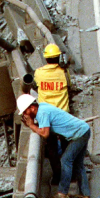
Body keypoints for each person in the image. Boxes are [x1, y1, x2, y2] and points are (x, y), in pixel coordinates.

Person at [17, 94, 90, 198]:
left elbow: (45, 133)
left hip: (79, 134)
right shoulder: (42, 107)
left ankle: (62, 193)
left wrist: (32, 125)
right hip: (84, 130)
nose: (25, 115)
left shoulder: (42, 113)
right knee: (78, 164)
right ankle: (85, 194)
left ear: (32, 108)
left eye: (25, 112)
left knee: (66, 160)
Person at [34, 44, 71, 189]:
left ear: (45, 58)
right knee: (67, 146)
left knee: (52, 148)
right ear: (58, 57)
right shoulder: (64, 72)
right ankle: (70, 176)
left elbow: (36, 85)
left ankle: (57, 177)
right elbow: (69, 87)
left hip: (46, 116)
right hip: (62, 114)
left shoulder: (38, 73)